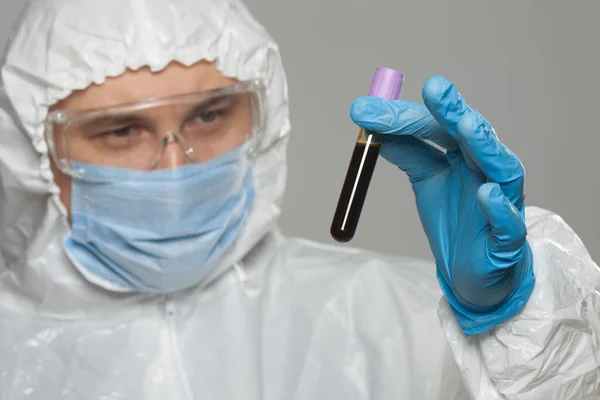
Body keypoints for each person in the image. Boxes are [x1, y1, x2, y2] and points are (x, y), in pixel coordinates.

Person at [0, 0, 598, 398]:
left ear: (263, 121)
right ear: (36, 154)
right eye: (121, 129)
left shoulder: (405, 321)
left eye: (210, 114)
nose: (177, 164)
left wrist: (515, 326)